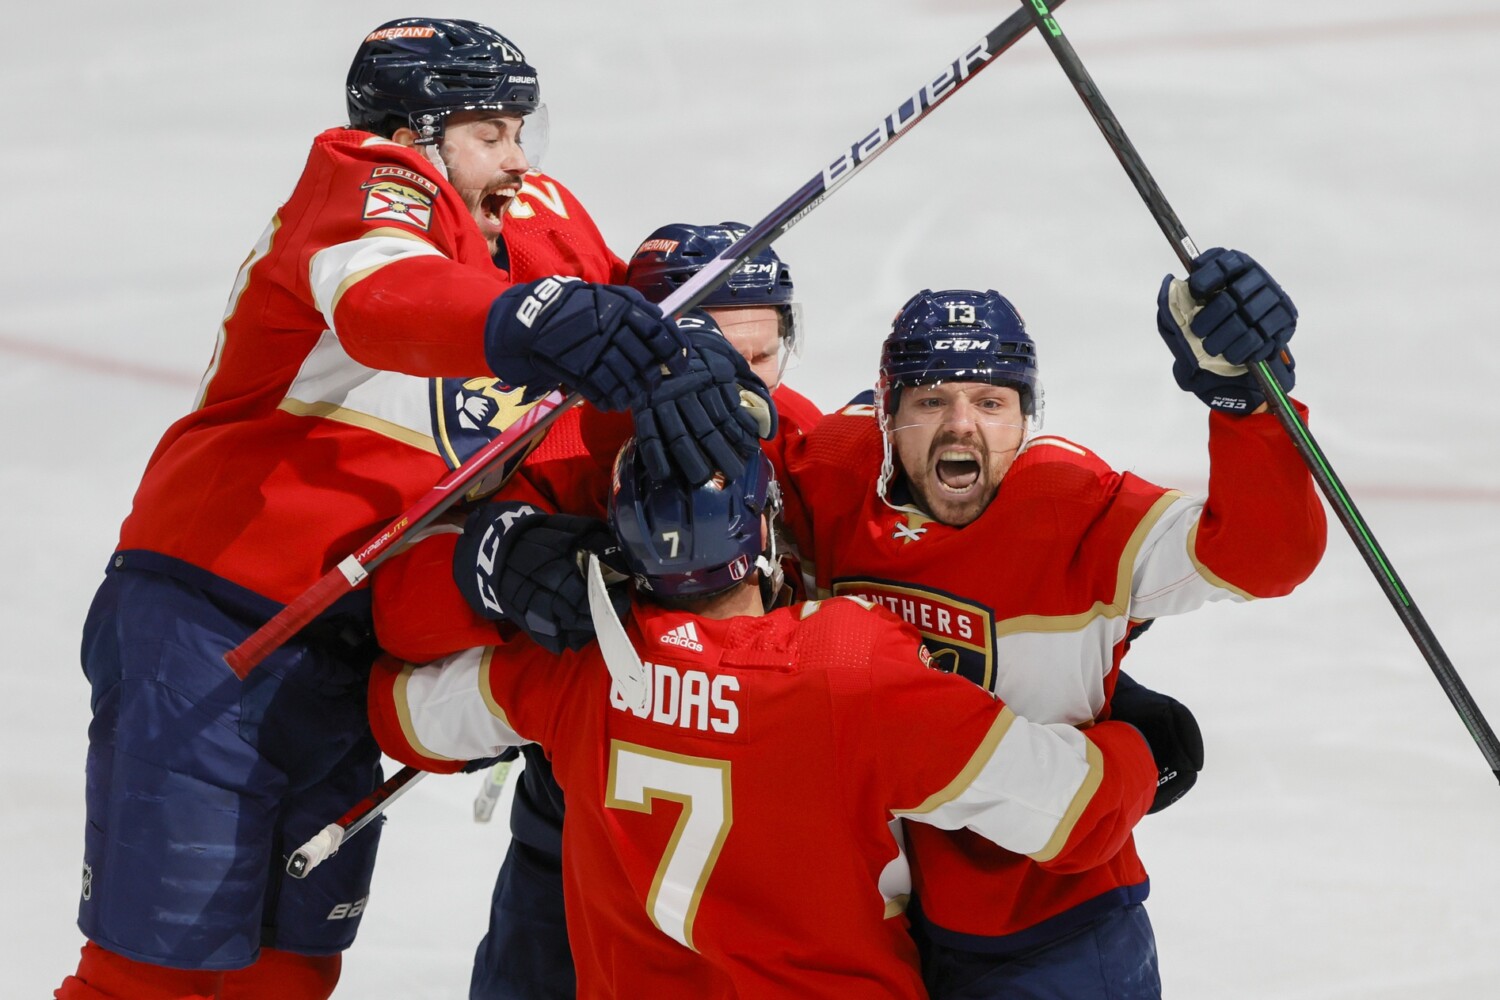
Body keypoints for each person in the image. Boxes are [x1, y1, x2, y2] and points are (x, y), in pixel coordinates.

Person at [56, 17, 763, 999]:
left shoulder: (540, 212)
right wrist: (534, 319)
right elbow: (386, 299)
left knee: (292, 967)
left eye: (525, 130)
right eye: (489, 133)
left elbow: (617, 348)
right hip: (216, 622)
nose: (517, 161)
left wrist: (700, 368)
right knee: (152, 975)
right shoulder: (361, 181)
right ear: (413, 132)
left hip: (353, 642)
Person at [367, 437, 1161, 999]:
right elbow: (1071, 815)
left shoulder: (576, 665)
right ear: (766, 529)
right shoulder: (850, 666)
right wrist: (1137, 741)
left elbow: (407, 718)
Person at [757, 252, 1326, 998]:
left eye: (993, 402)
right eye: (932, 400)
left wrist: (1249, 407)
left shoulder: (1075, 509)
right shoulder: (834, 475)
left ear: (1029, 418)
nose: (962, 424)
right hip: (879, 927)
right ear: (886, 412)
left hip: (1054, 932)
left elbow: (1266, 557)